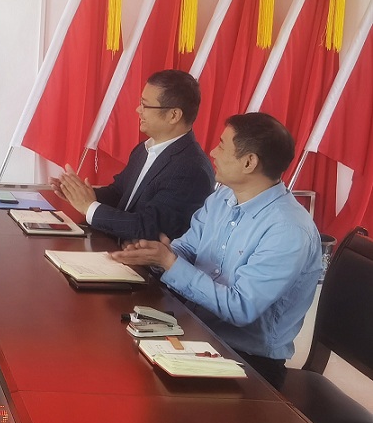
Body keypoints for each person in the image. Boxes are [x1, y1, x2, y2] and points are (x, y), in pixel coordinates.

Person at [111, 113, 321, 389]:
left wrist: (170, 263)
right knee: (118, 359)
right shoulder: (223, 197)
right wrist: (156, 254)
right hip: (197, 331)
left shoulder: (288, 230)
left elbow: (240, 308)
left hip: (247, 362)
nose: (212, 152)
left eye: (222, 145)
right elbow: (188, 247)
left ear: (249, 162)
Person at [52, 69, 214, 240]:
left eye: (145, 105)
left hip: (138, 256)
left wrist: (89, 207)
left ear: (174, 115)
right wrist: (78, 193)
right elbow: (119, 194)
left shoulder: (191, 169)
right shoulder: (144, 149)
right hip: (113, 244)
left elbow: (150, 227)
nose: (138, 110)